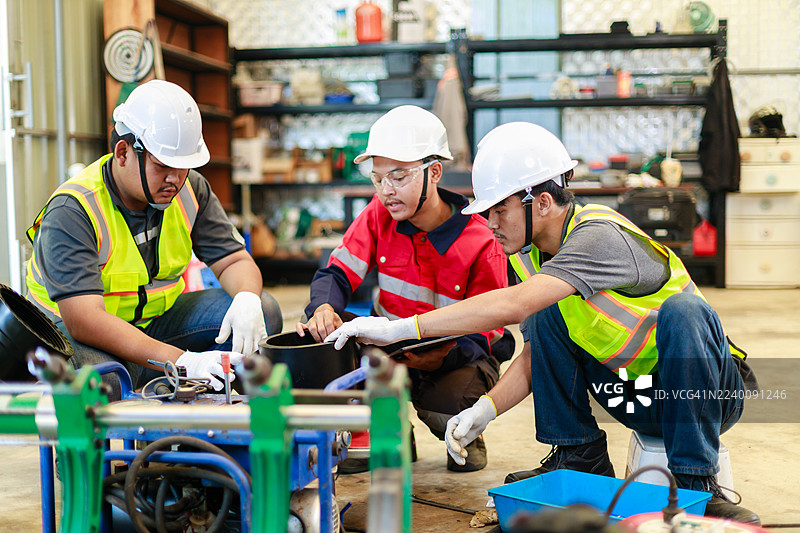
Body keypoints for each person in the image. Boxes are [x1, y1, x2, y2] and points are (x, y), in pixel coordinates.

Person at [324, 122, 760, 523]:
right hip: (639, 395)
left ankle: (697, 483)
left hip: (706, 395)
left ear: (543, 202)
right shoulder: (530, 255)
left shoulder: (598, 236)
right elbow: (536, 355)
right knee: (545, 316)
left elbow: (513, 304)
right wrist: (485, 409)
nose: (488, 223)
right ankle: (578, 457)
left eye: (499, 210)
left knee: (686, 311)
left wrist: (401, 328)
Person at [26, 80, 282, 400]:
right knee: (100, 386)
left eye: (183, 167)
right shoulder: (74, 210)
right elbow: (83, 320)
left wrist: (246, 298)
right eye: (163, 166)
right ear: (123, 153)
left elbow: (233, 259)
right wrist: (181, 361)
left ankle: (217, 417)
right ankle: (158, 390)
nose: (175, 179)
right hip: (82, 339)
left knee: (263, 309)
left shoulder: (190, 189)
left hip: (156, 325)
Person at [297, 105, 514, 472]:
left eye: (398, 177)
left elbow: (488, 331)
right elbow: (335, 274)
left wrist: (443, 356)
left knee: (451, 406)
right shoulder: (378, 214)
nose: (386, 191)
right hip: (388, 347)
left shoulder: (480, 239)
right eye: (377, 178)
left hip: (452, 355)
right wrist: (323, 309)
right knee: (328, 341)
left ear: (434, 172)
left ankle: (463, 431)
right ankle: (388, 432)